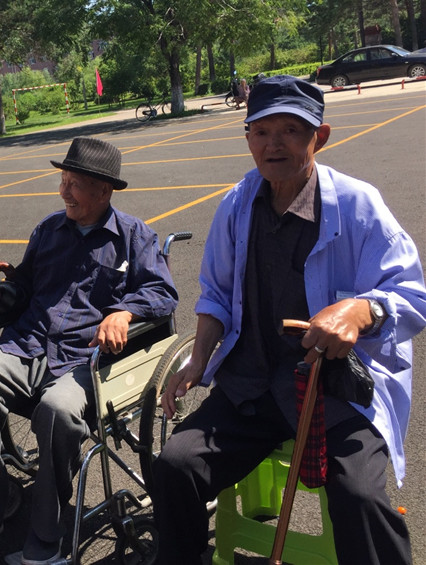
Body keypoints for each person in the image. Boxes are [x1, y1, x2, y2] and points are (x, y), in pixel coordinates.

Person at [152, 75, 426, 564]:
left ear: (320, 137)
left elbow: (411, 295)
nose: (273, 144)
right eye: (261, 131)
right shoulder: (237, 204)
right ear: (248, 137)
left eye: (290, 131)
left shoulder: (357, 205)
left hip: (335, 392)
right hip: (253, 386)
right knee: (175, 465)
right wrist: (197, 360)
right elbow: (215, 294)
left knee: (359, 496)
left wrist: (361, 310)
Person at [0, 136, 180, 565]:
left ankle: (48, 531)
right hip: (31, 342)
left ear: (103, 191)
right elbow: (25, 288)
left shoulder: (134, 236)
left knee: (57, 408)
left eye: (74, 184)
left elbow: (163, 293)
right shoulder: (48, 230)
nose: (63, 191)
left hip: (88, 357)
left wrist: (124, 313)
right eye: (63, 180)